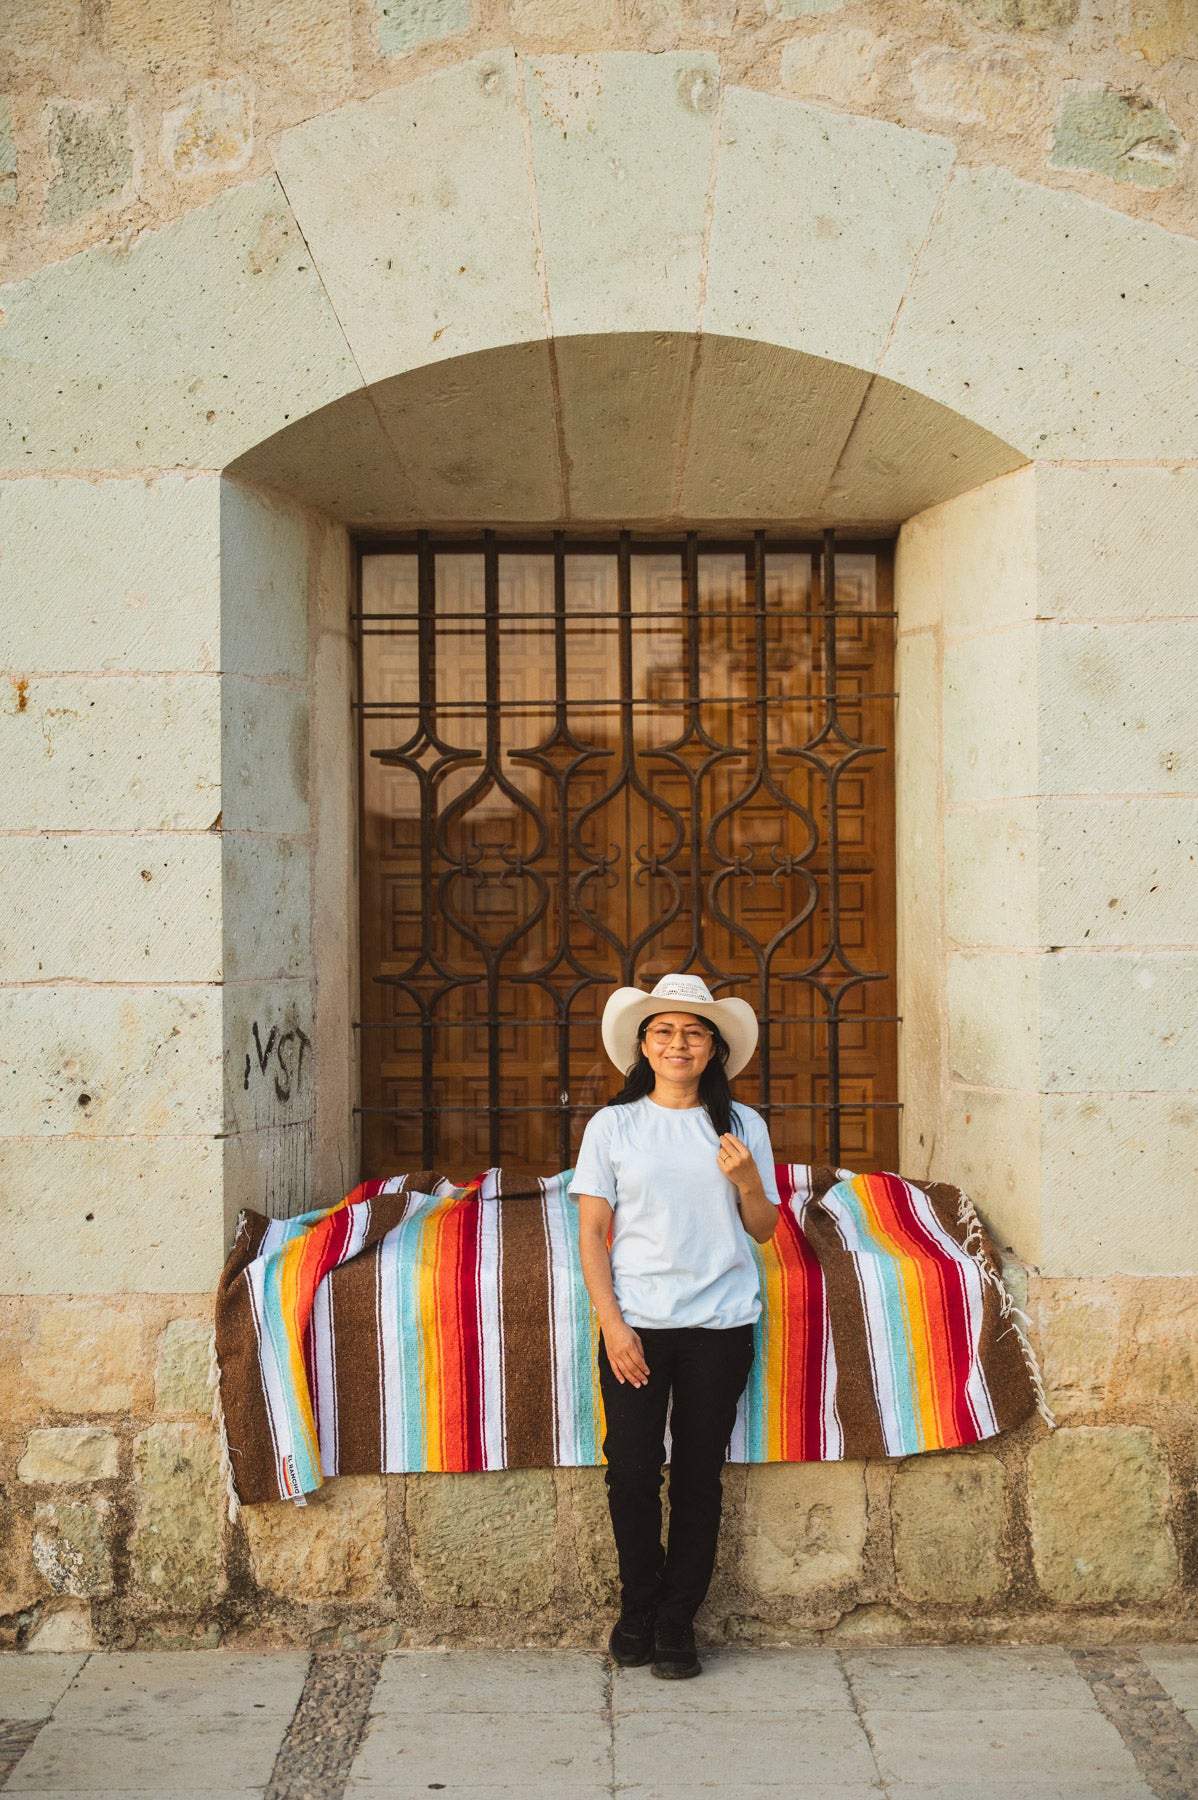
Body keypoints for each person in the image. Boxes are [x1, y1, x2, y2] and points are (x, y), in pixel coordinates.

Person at [569, 972, 780, 1680]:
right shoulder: (615, 1125)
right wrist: (613, 1325)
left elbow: (764, 1228)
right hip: (638, 1328)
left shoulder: (743, 1126)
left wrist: (748, 1180)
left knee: (698, 1477)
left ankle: (675, 1621)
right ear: (643, 1045)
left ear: (715, 1048)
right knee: (630, 1472)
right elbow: (592, 1233)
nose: (677, 1042)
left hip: (719, 1328)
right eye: (663, 1030)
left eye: (693, 1031)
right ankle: (637, 1606)